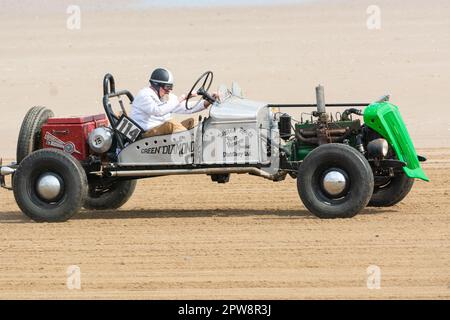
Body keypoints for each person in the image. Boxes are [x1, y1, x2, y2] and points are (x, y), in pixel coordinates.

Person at [130, 68, 215, 138]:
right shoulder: (144, 95)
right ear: (157, 85)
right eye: (167, 87)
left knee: (194, 121)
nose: (169, 90)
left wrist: (207, 102)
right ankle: (186, 148)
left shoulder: (166, 95)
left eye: (171, 87)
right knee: (172, 124)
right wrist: (181, 98)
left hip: (163, 130)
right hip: (147, 134)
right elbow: (158, 111)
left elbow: (185, 107)